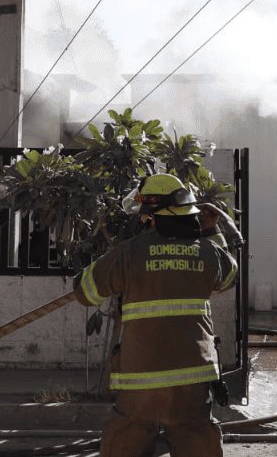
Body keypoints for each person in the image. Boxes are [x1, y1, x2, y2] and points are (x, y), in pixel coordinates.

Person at [73, 173, 240, 457]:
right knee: (197, 443)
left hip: (141, 381)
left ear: (151, 216)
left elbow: (85, 292)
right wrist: (212, 231)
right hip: (193, 378)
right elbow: (228, 278)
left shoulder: (129, 253)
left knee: (127, 442)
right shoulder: (208, 251)